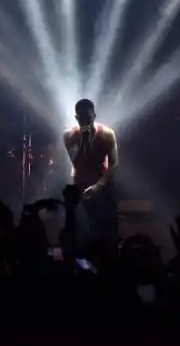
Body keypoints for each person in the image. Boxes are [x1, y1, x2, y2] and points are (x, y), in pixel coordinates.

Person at [63, 99, 119, 251]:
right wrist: (84, 141)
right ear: (76, 118)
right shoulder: (69, 136)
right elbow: (77, 162)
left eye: (88, 117)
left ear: (94, 116)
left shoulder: (107, 134)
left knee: (107, 230)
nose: (85, 121)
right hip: (80, 184)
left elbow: (114, 164)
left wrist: (99, 186)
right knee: (81, 230)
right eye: (81, 118)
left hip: (102, 183)